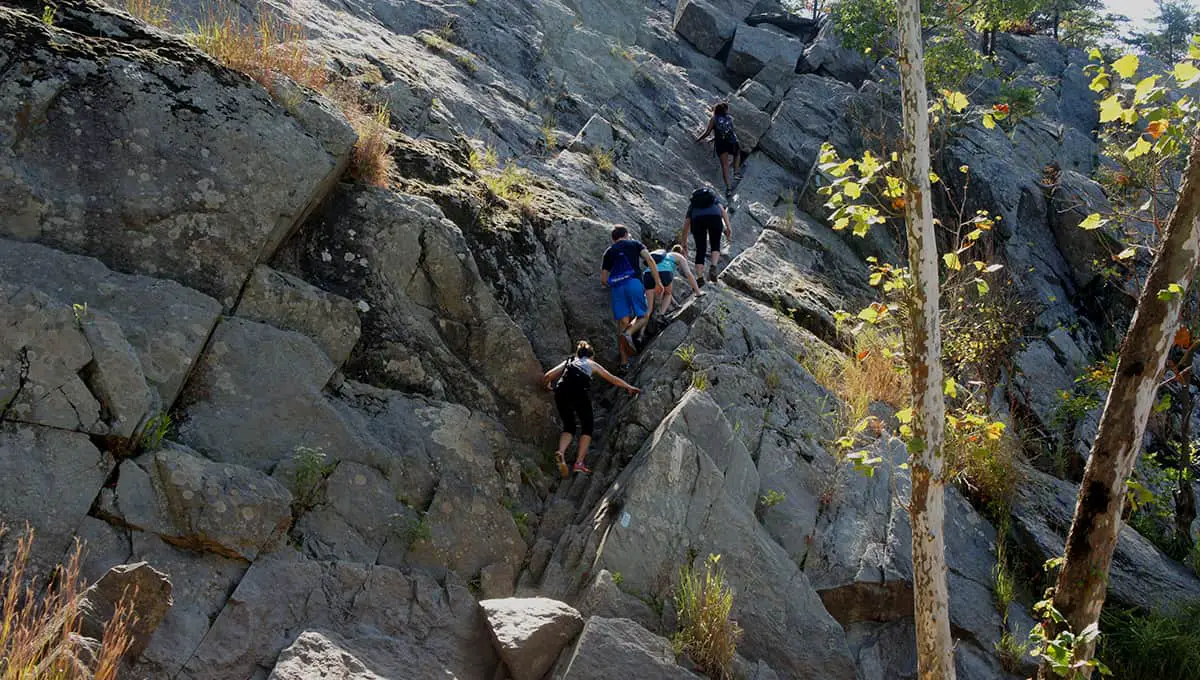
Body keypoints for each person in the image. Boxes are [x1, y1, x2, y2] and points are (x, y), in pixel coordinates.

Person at [542, 340, 640, 476]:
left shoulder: (570, 361)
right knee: (587, 426)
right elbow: (612, 379)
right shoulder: (591, 363)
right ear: (591, 356)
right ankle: (579, 463)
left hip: (561, 391)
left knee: (569, 426)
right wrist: (629, 387)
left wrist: (547, 385)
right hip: (578, 392)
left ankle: (561, 452)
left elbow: (547, 376)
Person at [601, 226, 663, 367]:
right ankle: (629, 333)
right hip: (634, 282)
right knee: (643, 315)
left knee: (622, 323)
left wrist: (615, 285)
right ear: (626, 235)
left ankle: (624, 363)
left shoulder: (609, 251)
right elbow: (650, 260)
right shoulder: (635, 244)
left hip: (617, 287)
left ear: (614, 238)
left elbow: (604, 279)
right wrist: (658, 281)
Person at [641, 244, 703, 331]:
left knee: (649, 308)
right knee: (668, 294)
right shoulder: (679, 256)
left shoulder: (663, 255)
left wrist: (676, 305)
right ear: (682, 252)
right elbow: (688, 274)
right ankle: (661, 315)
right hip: (664, 272)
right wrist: (698, 292)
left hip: (647, 274)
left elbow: (667, 291)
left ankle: (641, 334)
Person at [680, 187, 732, 284]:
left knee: (700, 249)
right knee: (715, 243)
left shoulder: (693, 205)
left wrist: (684, 243)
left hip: (697, 220)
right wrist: (728, 227)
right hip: (715, 217)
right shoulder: (713, 199)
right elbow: (723, 211)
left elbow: (686, 225)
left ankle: (699, 278)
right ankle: (713, 266)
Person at [695, 101, 742, 197]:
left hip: (722, 144)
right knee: (737, 154)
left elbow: (707, 132)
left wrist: (698, 139)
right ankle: (736, 172)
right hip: (732, 141)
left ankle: (729, 189)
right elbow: (729, 130)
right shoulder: (729, 118)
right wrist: (714, 138)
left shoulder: (714, 119)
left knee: (725, 166)